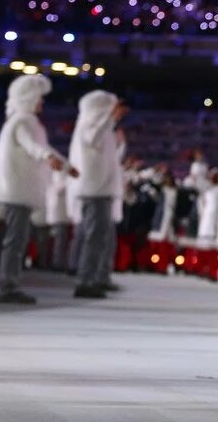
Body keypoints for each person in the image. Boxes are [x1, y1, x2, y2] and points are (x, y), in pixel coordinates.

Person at [0, 75, 79, 304]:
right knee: (15, 240)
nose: (41, 103)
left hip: (19, 190)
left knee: (18, 239)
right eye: (38, 98)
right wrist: (47, 157)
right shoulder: (22, 121)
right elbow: (32, 145)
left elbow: (42, 146)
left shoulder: (26, 121)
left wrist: (65, 165)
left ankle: (11, 283)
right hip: (17, 190)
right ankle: (9, 286)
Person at [68, 90, 127, 298]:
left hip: (101, 190)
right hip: (94, 190)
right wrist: (109, 118)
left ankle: (95, 278)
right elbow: (92, 139)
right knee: (94, 237)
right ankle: (86, 280)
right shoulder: (87, 126)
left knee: (101, 237)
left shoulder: (104, 130)